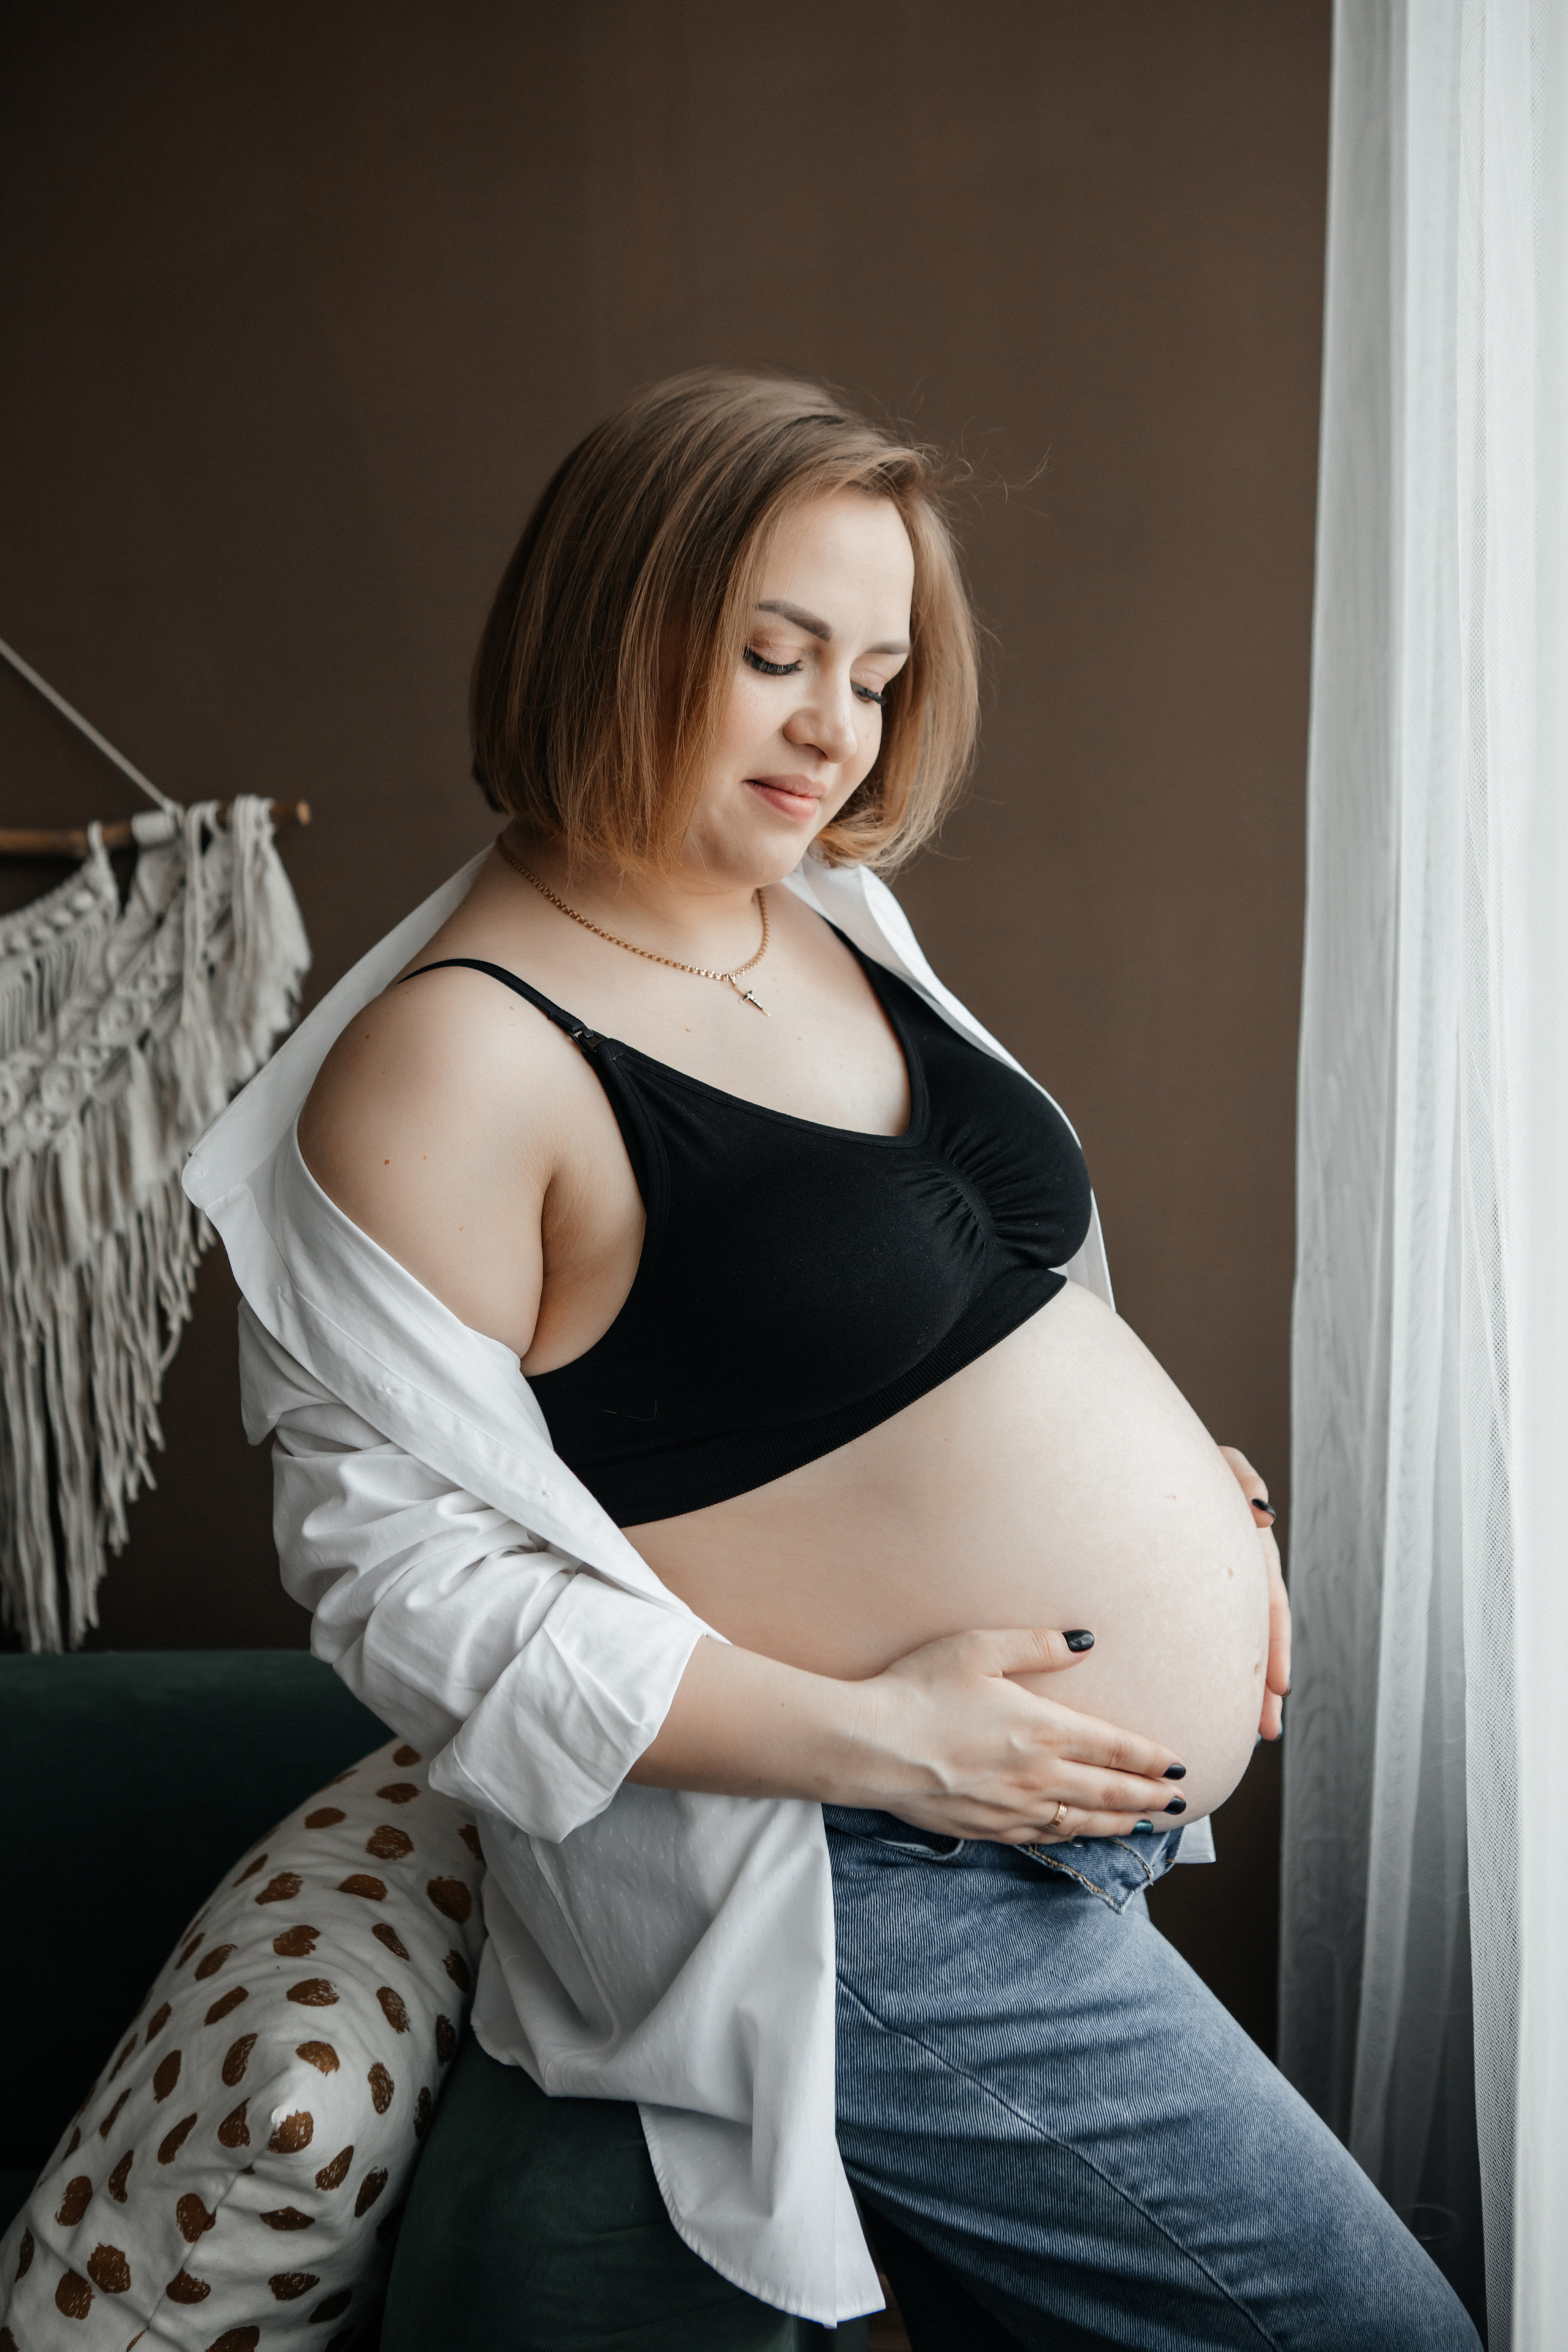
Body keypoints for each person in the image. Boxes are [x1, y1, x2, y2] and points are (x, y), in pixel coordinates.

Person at [189, 369, 1479, 2347]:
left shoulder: (829, 917)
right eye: (774, 654)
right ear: (612, 631)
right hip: (866, 1875)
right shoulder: (463, 1056)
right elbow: (404, 1589)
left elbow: (970, 1292)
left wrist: (1182, 1498)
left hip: (1050, 1826)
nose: (833, 729)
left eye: (872, 674)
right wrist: (891, 1739)